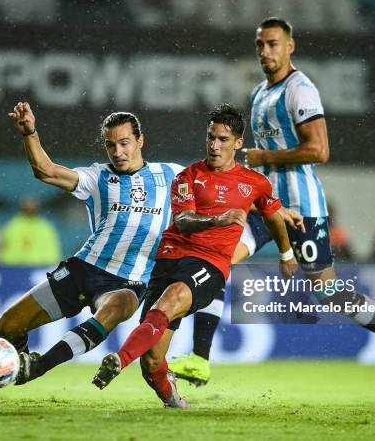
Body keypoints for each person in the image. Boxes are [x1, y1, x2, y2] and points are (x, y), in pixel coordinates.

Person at [172, 17, 375, 389]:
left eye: (273, 44)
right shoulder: (258, 94)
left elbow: (319, 150)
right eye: (260, 45)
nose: (265, 52)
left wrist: (264, 159)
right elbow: (259, 154)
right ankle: (200, 360)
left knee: (328, 291)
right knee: (217, 259)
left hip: (302, 208)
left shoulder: (301, 90)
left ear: (290, 46)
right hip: (264, 204)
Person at [91, 104, 299, 408]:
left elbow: (273, 216)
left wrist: (286, 252)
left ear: (238, 143)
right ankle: (173, 400)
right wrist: (219, 219)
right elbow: (184, 221)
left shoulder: (255, 183)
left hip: (209, 262)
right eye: (210, 137)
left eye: (223, 140)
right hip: (170, 258)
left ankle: (118, 360)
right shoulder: (188, 176)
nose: (214, 146)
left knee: (169, 301)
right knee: (151, 362)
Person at [0, 102, 183, 385]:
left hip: (129, 281)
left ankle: (41, 366)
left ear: (140, 140)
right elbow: (46, 171)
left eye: (124, 143)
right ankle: (22, 362)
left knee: (116, 309)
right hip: (84, 269)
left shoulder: (171, 175)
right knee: (6, 326)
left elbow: (216, 183)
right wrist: (29, 133)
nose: (118, 152)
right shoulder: (98, 177)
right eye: (110, 145)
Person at [0, 196, 61, 266]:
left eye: (32, 205)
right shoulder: (12, 226)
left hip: (39, 268)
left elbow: (53, 253)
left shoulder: (46, 227)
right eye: (27, 205)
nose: (30, 207)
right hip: (15, 267)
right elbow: (4, 251)